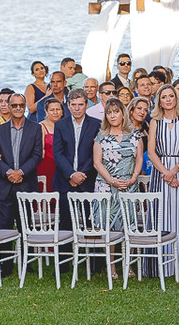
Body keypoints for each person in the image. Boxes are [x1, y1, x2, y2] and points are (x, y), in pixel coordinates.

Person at [93, 96, 144, 279]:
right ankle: (112, 267)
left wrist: (133, 179)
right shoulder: (101, 136)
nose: (113, 115)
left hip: (128, 186)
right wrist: (111, 181)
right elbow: (97, 163)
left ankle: (127, 265)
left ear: (123, 113)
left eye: (116, 111)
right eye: (109, 112)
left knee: (127, 227)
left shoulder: (135, 136)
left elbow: (138, 159)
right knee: (109, 228)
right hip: (107, 187)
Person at [149, 85, 179, 273]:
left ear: (176, 98)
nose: (168, 99)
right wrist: (166, 173)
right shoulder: (155, 122)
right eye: (164, 96)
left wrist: (175, 170)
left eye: (171, 96)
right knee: (161, 214)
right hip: (160, 174)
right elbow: (151, 151)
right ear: (159, 100)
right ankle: (159, 267)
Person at [0, 92, 43, 233]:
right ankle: (5, 256)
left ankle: (26, 256)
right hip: (4, 185)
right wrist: (9, 173)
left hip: (26, 184)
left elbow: (37, 155)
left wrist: (20, 172)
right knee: (4, 231)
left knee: (26, 230)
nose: (18, 108)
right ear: (8, 107)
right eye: (14, 105)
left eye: (21, 105)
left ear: (25, 106)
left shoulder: (36, 128)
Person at [53, 89, 101, 228]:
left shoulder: (96, 124)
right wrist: (71, 174)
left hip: (87, 181)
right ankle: (65, 250)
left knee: (89, 224)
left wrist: (81, 175)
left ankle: (87, 250)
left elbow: (96, 153)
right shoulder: (60, 125)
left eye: (80, 104)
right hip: (65, 181)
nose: (77, 108)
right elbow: (58, 153)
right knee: (65, 224)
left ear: (86, 105)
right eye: (73, 104)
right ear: (68, 105)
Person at [36, 97, 64, 192]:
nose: (55, 112)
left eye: (58, 109)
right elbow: (39, 150)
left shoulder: (66, 125)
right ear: (46, 112)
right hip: (47, 165)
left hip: (63, 166)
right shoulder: (41, 126)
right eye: (52, 110)